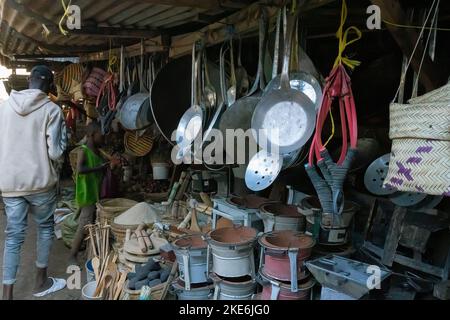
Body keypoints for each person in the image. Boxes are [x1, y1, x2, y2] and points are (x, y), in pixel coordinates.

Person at [0, 65, 68, 300]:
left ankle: (7, 294)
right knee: (45, 228)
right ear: (50, 86)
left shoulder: (4, 108)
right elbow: (56, 153)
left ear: (29, 81)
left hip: (10, 183)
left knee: (14, 236)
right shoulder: (52, 110)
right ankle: (40, 283)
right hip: (40, 183)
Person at [68, 121, 112, 266]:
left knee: (91, 224)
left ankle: (88, 253)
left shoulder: (97, 152)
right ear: (92, 135)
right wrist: (98, 168)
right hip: (86, 195)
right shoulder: (83, 150)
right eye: (101, 136)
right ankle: (72, 256)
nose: (103, 139)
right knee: (84, 226)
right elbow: (80, 169)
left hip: (94, 193)